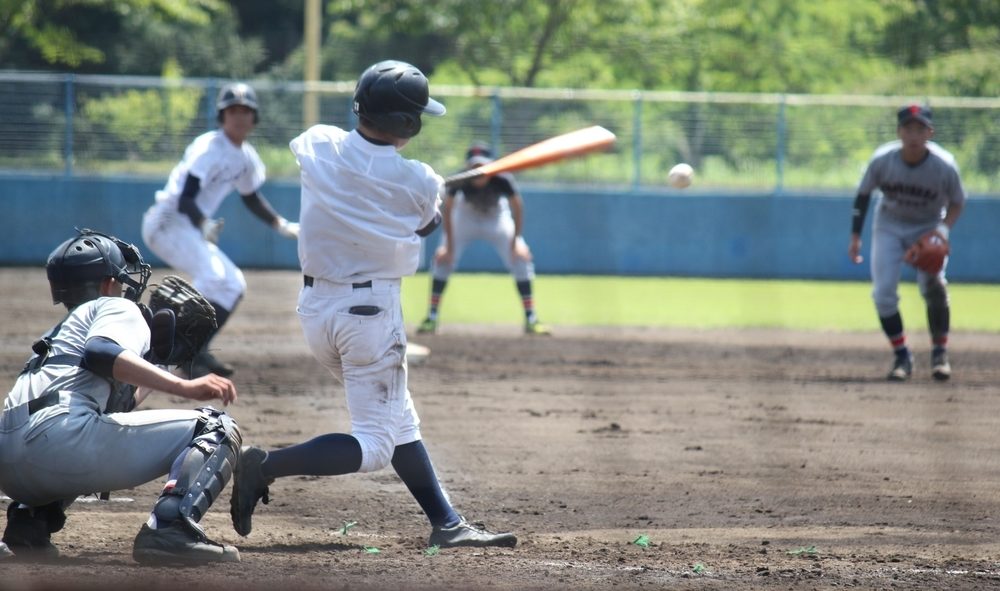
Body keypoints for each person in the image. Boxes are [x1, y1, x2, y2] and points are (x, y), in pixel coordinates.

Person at [229, 60, 517, 549]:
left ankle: (446, 522)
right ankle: (265, 465)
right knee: (376, 444)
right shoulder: (421, 180)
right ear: (409, 124)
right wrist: (442, 189)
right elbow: (426, 223)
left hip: (317, 312)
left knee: (398, 417)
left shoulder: (317, 143)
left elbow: (365, 175)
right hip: (370, 317)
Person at [0, 229, 243, 565]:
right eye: (120, 279)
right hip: (58, 441)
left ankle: (30, 523)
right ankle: (169, 529)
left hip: (11, 465)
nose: (126, 285)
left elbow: (117, 407)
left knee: (90, 422)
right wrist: (185, 387)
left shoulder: (60, 333)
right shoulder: (114, 306)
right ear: (105, 285)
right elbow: (101, 353)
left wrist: (159, 367)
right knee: (215, 426)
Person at [141, 82, 300, 379]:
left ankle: (193, 355)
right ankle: (157, 343)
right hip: (167, 222)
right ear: (221, 116)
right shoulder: (208, 148)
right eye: (232, 111)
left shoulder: (246, 157)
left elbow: (251, 196)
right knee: (213, 277)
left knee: (233, 285)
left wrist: (281, 225)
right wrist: (203, 223)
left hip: (190, 227)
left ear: (255, 118)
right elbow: (186, 197)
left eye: (245, 111)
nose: (239, 117)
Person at [849, 104, 965, 381]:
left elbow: (958, 202)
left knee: (934, 285)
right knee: (883, 293)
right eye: (908, 128)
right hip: (889, 225)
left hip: (927, 226)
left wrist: (943, 230)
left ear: (930, 132)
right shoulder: (882, 160)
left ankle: (939, 354)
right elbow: (863, 196)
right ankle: (902, 356)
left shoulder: (944, 165)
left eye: (920, 128)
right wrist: (855, 236)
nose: (914, 134)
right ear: (899, 131)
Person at [416, 142, 551, 335]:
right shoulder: (459, 179)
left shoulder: (503, 178)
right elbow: (448, 209)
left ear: (491, 165)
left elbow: (518, 208)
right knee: (442, 261)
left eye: (482, 166)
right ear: (468, 166)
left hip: (496, 218)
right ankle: (431, 317)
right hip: (465, 217)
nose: (478, 170)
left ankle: (531, 319)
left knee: (521, 259)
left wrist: (515, 243)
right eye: (474, 166)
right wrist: (449, 247)